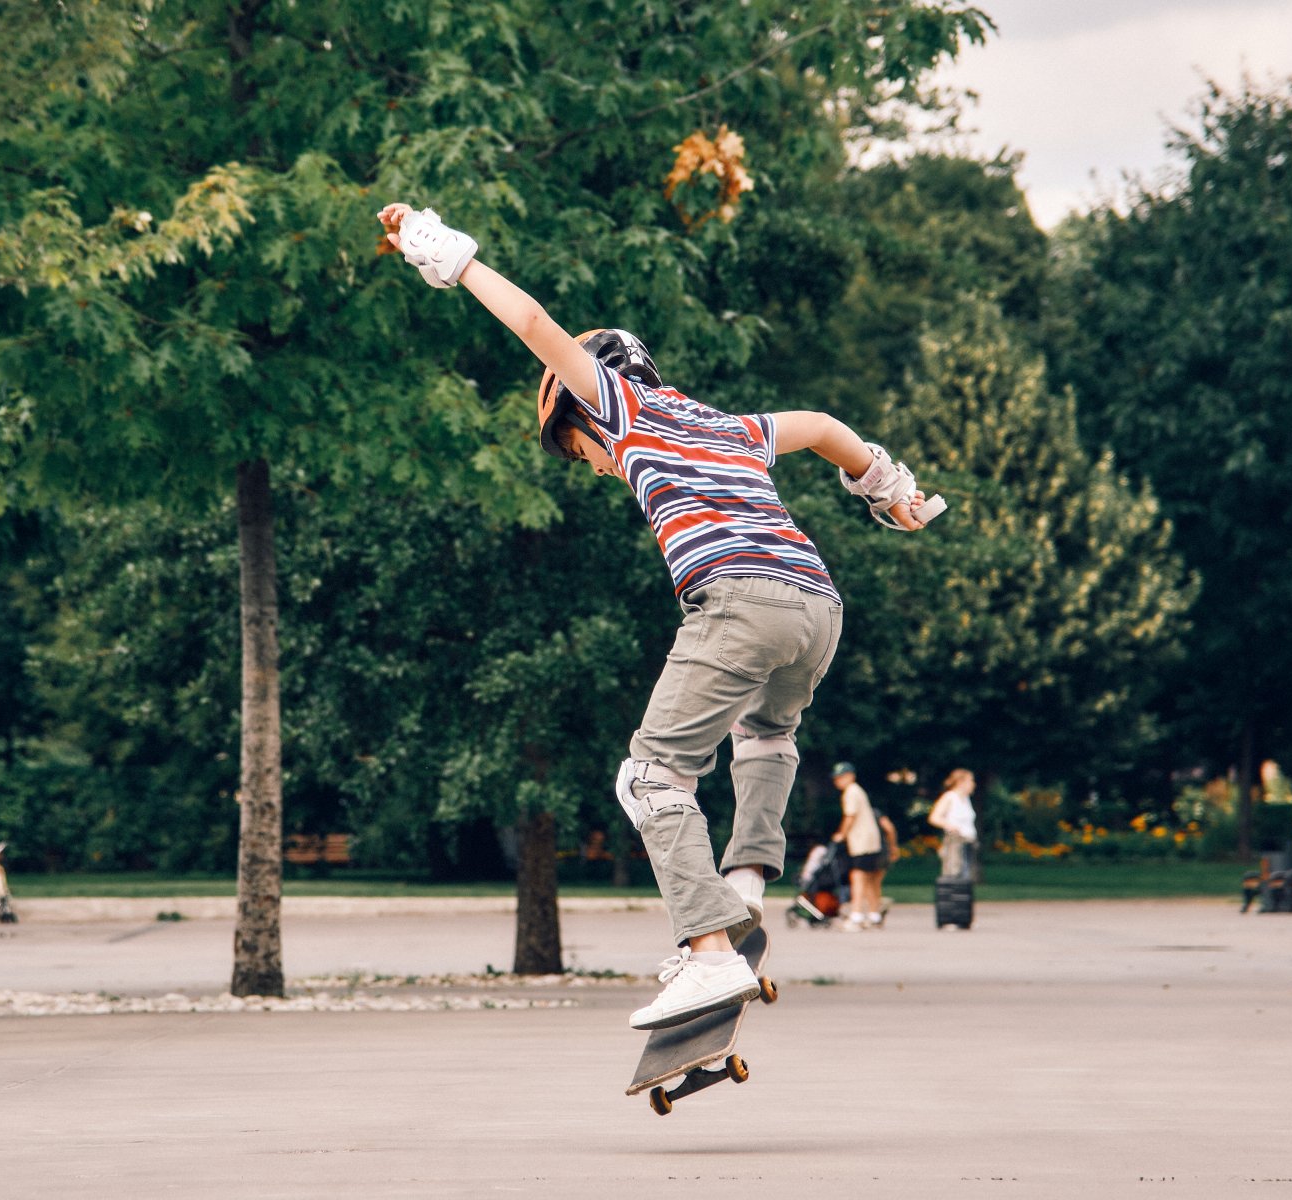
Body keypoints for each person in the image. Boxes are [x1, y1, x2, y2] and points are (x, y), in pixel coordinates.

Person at [377, 203, 939, 1029]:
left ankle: (709, 953)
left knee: (649, 776)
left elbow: (533, 321)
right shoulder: (725, 424)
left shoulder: (619, 404)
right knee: (765, 735)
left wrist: (450, 259)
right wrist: (890, 492)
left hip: (741, 598)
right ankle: (745, 886)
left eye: (581, 453)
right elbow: (821, 427)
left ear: (584, 412)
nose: (599, 468)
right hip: (819, 605)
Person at [831, 763, 886, 928]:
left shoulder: (851, 792)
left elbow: (850, 816)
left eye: (841, 777)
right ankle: (874, 914)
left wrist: (841, 834)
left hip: (861, 841)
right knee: (870, 878)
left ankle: (856, 914)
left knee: (858, 875)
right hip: (870, 840)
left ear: (851, 776)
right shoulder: (857, 790)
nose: (838, 781)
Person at [929, 768, 979, 881]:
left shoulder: (966, 799)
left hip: (968, 841)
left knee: (965, 874)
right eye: (971, 780)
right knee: (954, 872)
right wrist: (950, 825)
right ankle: (952, 898)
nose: (973, 784)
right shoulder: (949, 797)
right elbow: (934, 817)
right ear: (961, 782)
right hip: (955, 841)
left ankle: (961, 897)